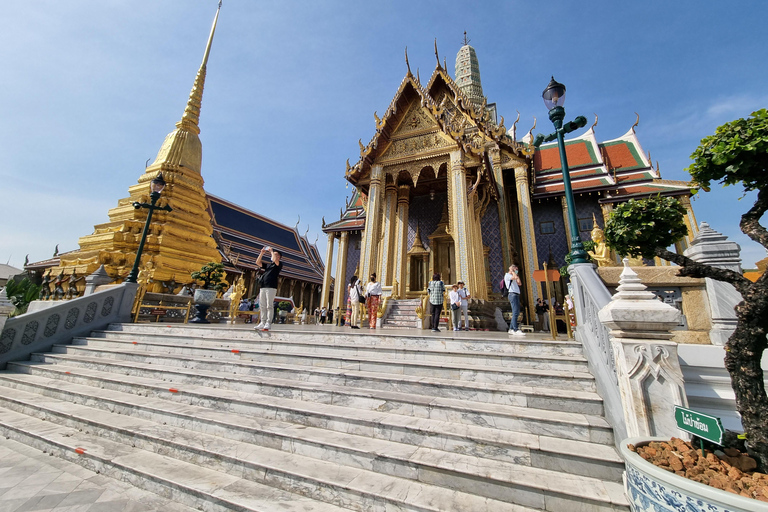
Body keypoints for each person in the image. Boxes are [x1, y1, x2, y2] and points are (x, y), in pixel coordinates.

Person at [253, 246, 282, 332]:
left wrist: (272, 251)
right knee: (262, 305)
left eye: (275, 255)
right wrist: (261, 253)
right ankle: (262, 322)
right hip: (263, 286)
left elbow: (275, 260)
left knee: (269, 305)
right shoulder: (268, 265)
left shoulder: (278, 265)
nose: (272, 255)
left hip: (271, 287)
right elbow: (257, 262)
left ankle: (268, 322)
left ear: (278, 257)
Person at [504, 264, 524, 336]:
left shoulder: (515, 276)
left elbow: (519, 283)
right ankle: (515, 329)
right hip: (512, 294)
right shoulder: (507, 275)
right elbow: (514, 277)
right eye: (515, 269)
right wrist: (512, 272)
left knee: (516, 312)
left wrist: (515, 274)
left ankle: (511, 329)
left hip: (516, 294)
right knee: (515, 312)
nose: (516, 270)